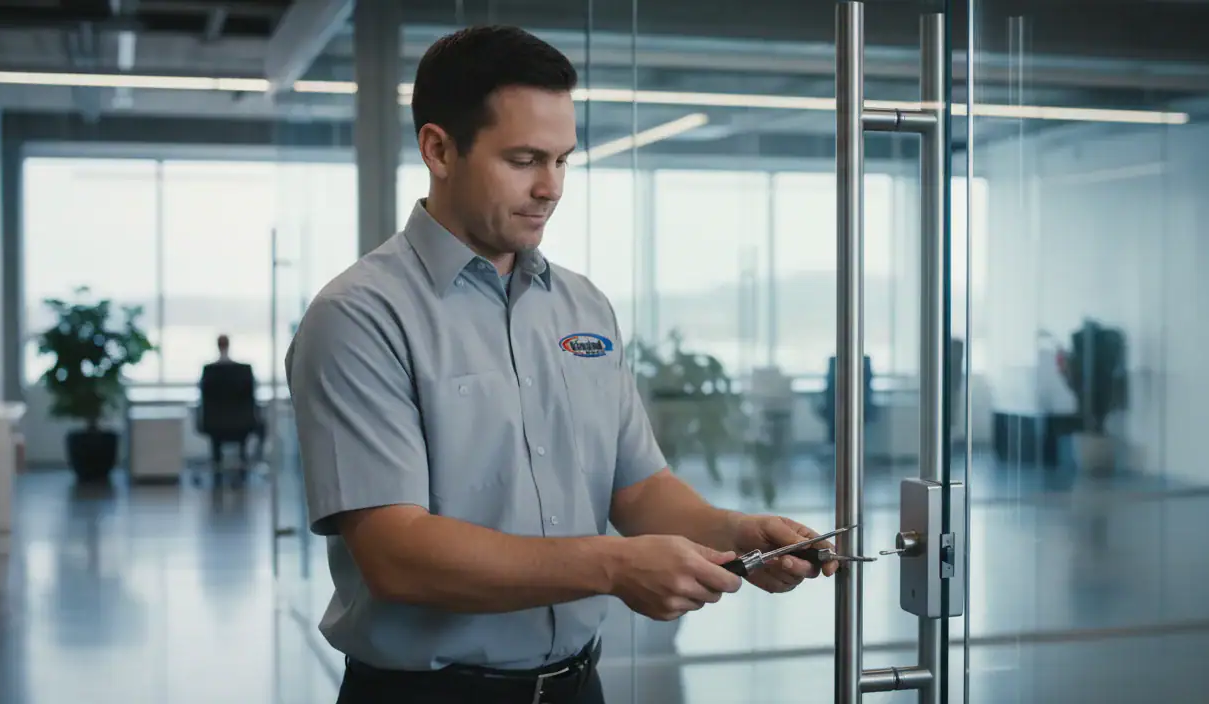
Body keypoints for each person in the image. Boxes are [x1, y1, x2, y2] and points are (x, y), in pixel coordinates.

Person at [285, 25, 840, 704]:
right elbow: (396, 556)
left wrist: (735, 533)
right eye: (523, 159)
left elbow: (638, 490)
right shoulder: (360, 316)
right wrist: (611, 565)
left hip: (579, 686)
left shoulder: (583, 306)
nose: (550, 187)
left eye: (562, 160)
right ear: (438, 149)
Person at [197, 334, 262, 483]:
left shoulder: (210, 371)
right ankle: (243, 466)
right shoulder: (244, 371)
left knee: (219, 431)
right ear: (229, 345)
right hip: (243, 423)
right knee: (250, 428)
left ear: (217, 346)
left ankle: (217, 469)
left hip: (214, 424)